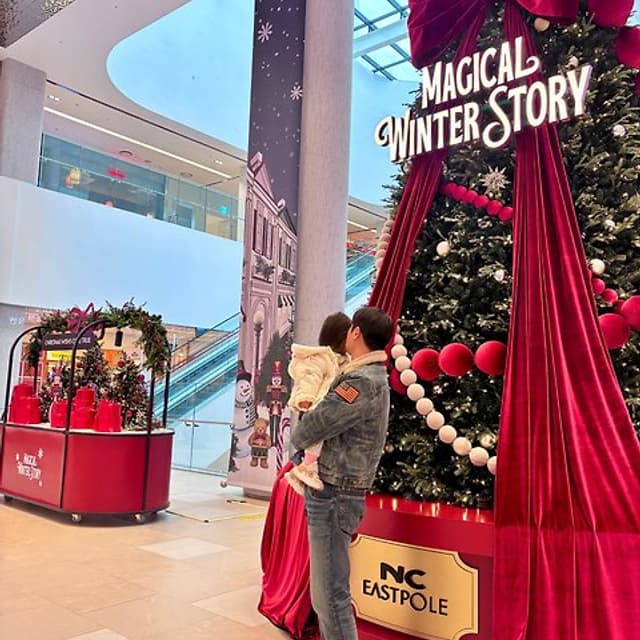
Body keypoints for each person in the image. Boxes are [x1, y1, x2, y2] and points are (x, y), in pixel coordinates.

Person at [291, 306, 394, 640]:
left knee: (329, 597)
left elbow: (314, 426)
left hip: (335, 493)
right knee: (327, 593)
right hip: (337, 489)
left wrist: (303, 424)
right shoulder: (366, 375)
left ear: (356, 333)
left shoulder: (361, 382)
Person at [286, 312, 351, 494]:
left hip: (330, 408)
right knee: (317, 437)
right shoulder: (320, 358)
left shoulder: (345, 361)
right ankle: (306, 466)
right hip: (316, 406)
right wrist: (306, 397)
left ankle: (304, 469)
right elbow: (309, 376)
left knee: (322, 437)